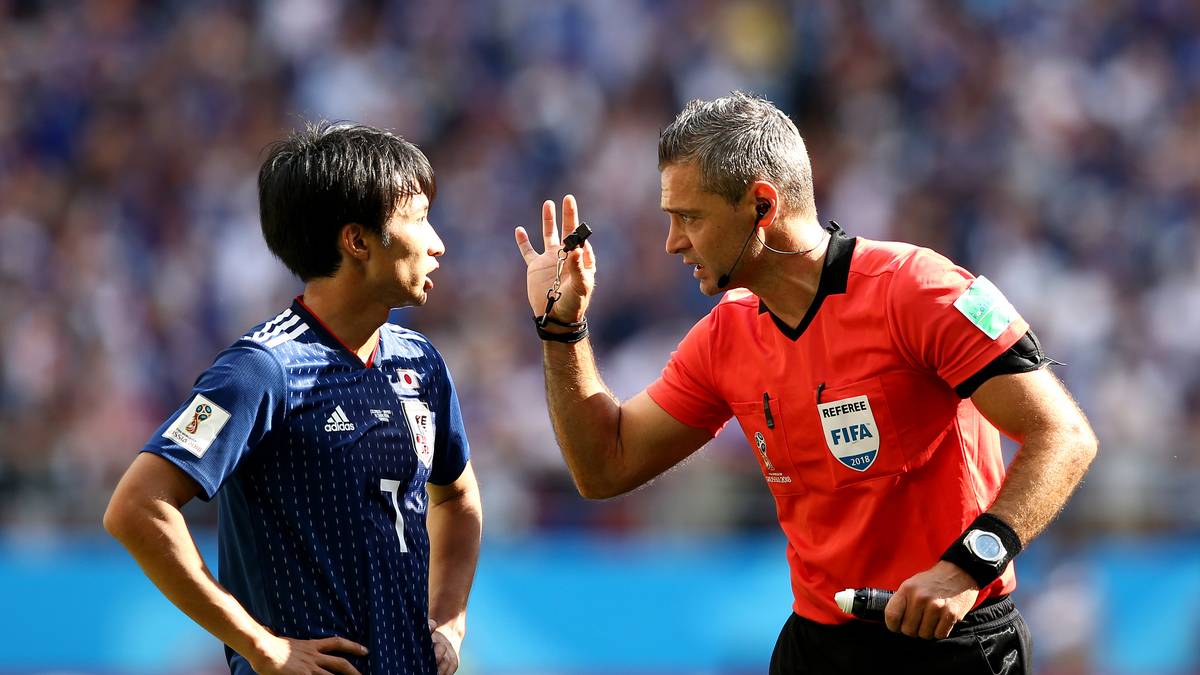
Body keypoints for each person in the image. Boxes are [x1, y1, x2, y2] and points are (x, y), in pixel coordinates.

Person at [514, 92, 1097, 674]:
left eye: (689, 217)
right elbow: (605, 467)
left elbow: (1065, 436)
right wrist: (562, 330)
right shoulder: (726, 336)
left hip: (952, 642)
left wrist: (967, 568)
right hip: (816, 649)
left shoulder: (918, 290)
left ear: (761, 205)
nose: (673, 242)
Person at [104, 122, 482, 675]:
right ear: (357, 242)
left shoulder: (421, 363)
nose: (437, 242)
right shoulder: (260, 371)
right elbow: (136, 508)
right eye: (419, 218)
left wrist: (449, 622)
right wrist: (261, 644)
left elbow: (458, 500)